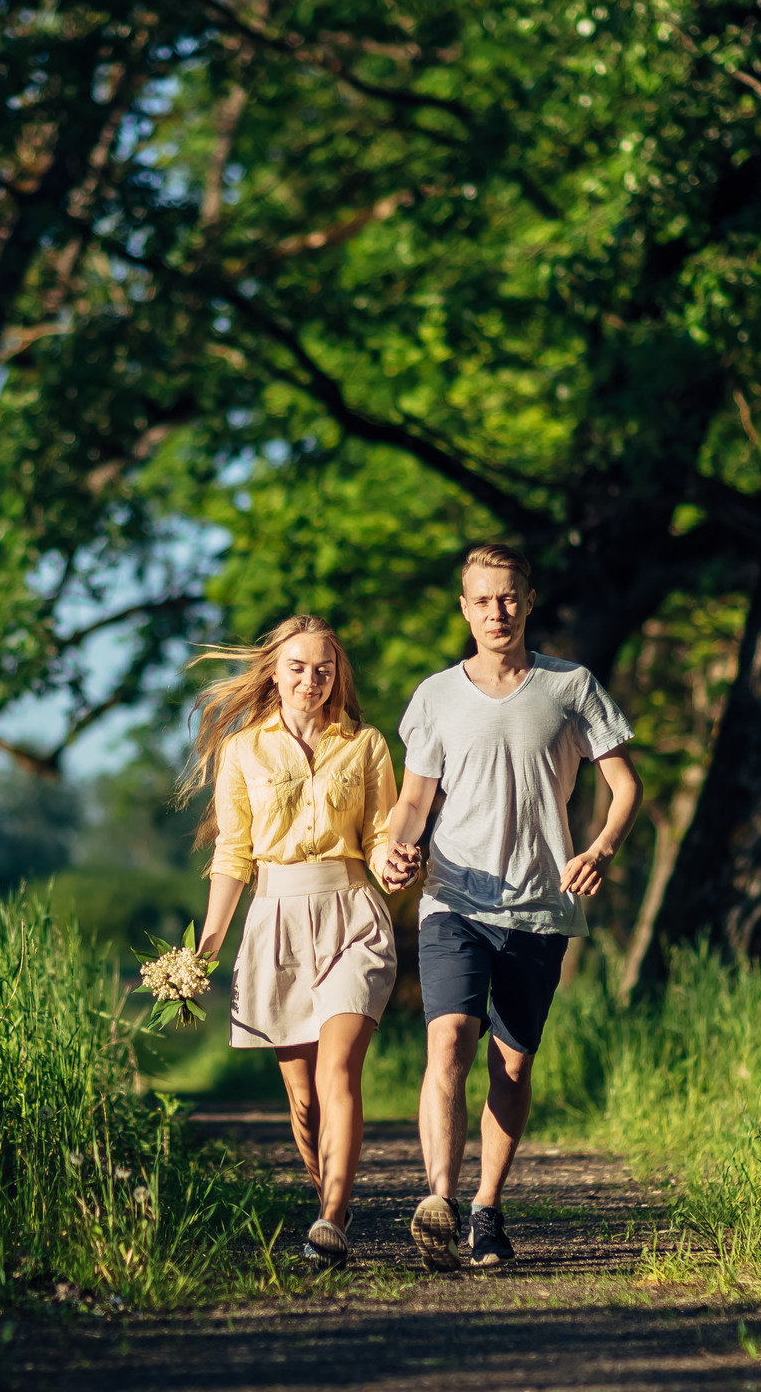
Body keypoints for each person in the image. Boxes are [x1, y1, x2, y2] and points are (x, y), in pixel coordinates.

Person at [376, 544, 642, 1271]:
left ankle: (487, 1209)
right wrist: (396, 848)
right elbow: (414, 801)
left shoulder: (571, 686)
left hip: (539, 904)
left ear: (528, 601)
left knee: (513, 1066)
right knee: (449, 1042)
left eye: (509, 597)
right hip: (453, 897)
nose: (497, 611)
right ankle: (439, 1200)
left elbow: (625, 785)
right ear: (464, 608)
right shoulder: (435, 696)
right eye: (483, 599)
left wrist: (601, 849)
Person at [178, 615, 406, 1273]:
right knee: (303, 1100)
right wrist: (208, 945)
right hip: (275, 921)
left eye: (323, 669)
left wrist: (392, 863)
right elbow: (233, 852)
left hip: (352, 915)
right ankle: (327, 1202)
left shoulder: (365, 744)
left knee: (339, 1071)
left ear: (338, 675)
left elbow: (380, 834)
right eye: (298, 667)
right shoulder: (243, 750)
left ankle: (331, 1217)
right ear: (275, 673)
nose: (311, 679)